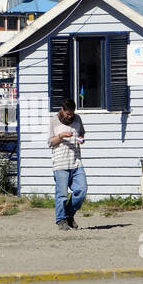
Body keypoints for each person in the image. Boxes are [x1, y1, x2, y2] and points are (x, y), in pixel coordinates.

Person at [48, 99, 86, 231]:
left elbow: (81, 133)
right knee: (62, 195)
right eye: (68, 114)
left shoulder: (77, 119)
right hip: (60, 163)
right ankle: (61, 220)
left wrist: (81, 139)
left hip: (76, 162)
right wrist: (61, 136)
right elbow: (50, 142)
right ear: (62, 110)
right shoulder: (54, 120)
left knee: (81, 190)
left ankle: (69, 214)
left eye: (72, 113)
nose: (70, 116)